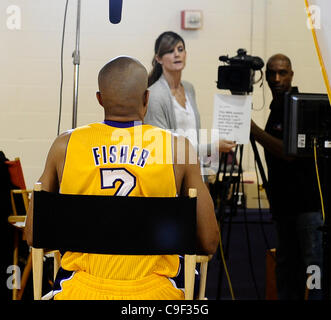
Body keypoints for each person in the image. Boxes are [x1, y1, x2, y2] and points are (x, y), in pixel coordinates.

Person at [25, 56, 219, 300]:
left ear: (99, 99)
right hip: (157, 293)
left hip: (78, 292)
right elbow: (209, 241)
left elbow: (33, 235)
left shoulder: (65, 145)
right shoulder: (178, 148)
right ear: (146, 98)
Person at [250, 54, 324, 300]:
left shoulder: (299, 106)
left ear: (291, 74)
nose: (276, 78)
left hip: (307, 208)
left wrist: (253, 130)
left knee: (313, 272)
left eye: (282, 72)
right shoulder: (276, 108)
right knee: (286, 270)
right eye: (271, 73)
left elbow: (288, 151)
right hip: (284, 210)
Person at [144, 31, 236, 174]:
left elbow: (192, 136)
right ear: (159, 58)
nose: (176, 54)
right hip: (169, 173)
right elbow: (163, 147)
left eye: (180, 49)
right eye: (170, 51)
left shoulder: (189, 88)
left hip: (193, 168)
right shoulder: (155, 95)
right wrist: (213, 147)